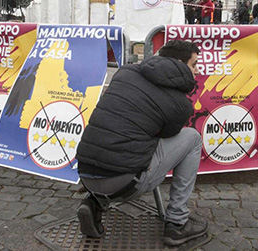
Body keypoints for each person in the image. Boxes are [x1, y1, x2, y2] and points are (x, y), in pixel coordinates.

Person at [76, 40, 207, 246]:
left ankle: (95, 202)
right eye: (194, 65)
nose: (197, 71)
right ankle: (177, 223)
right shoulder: (181, 105)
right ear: (180, 65)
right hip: (125, 183)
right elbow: (165, 137)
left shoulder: (125, 73)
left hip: (85, 174)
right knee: (192, 138)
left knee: (124, 143)